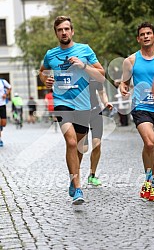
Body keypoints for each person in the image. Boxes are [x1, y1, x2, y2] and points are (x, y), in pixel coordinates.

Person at [39, 16, 105, 205]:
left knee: (80, 147)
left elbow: (101, 75)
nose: (64, 32)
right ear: (56, 33)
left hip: (83, 104)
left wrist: (83, 65)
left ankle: (72, 177)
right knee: (70, 141)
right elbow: (42, 72)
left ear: (72, 31)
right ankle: (78, 188)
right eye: (60, 30)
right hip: (62, 102)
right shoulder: (51, 54)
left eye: (67, 29)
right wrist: (46, 81)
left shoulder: (85, 50)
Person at [120, 22, 154, 202]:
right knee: (150, 143)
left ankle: (149, 185)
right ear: (138, 38)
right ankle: (148, 183)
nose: (146, 36)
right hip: (141, 107)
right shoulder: (131, 60)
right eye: (142, 34)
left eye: (149, 33)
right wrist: (123, 88)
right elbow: (124, 82)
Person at [84, 79, 113, 186]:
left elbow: (102, 92)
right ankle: (75, 175)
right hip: (80, 113)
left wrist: (106, 102)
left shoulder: (94, 76)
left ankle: (92, 175)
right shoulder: (76, 74)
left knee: (97, 145)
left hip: (95, 112)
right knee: (82, 148)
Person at [0, 78, 11, 147]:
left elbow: (10, 87)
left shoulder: (2, 81)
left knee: (4, 123)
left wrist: (6, 94)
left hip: (2, 105)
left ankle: (1, 127)